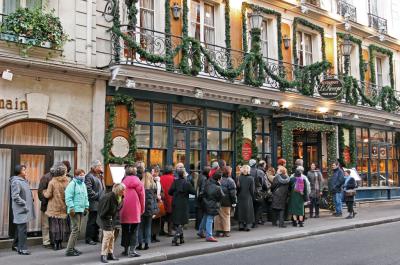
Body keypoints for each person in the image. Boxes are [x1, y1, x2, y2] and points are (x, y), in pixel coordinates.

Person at [43, 162, 71, 250]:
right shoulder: (68, 181)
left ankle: (55, 244)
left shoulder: (52, 182)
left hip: (53, 207)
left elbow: (48, 195)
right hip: (63, 206)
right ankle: (60, 243)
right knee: (62, 225)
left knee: (55, 226)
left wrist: (44, 192)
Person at [120, 166, 145, 257]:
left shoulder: (122, 182)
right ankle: (132, 251)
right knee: (134, 230)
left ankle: (125, 250)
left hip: (124, 208)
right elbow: (142, 197)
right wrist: (142, 209)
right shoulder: (138, 182)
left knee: (125, 230)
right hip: (135, 208)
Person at [98, 183, 125, 263]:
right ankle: (103, 255)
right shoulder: (109, 197)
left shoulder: (119, 197)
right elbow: (102, 212)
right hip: (106, 218)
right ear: (118, 190)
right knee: (107, 236)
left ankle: (110, 253)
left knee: (112, 237)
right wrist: (108, 218)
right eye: (123, 190)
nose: (124, 192)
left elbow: (117, 209)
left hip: (112, 218)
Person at [10, 165, 35, 255]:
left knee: (20, 228)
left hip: (24, 209)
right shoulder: (16, 182)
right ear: (19, 172)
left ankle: (16, 245)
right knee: (22, 230)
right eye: (24, 170)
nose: (25, 171)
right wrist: (24, 203)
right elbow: (15, 196)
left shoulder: (23, 181)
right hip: (21, 209)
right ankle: (22, 249)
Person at [64, 169, 89, 256]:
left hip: (81, 209)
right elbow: (68, 197)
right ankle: (69, 250)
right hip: (74, 210)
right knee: (75, 230)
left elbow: (86, 196)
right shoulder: (72, 184)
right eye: (81, 175)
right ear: (76, 175)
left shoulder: (83, 184)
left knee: (77, 230)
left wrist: (86, 206)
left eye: (83, 174)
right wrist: (71, 207)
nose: (83, 176)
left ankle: (72, 248)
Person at [168, 169, 196, 246]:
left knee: (178, 222)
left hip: (176, 203)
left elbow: (169, 192)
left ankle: (181, 238)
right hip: (183, 204)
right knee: (181, 222)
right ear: (184, 175)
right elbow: (194, 192)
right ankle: (175, 238)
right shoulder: (187, 183)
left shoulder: (175, 182)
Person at [85, 160, 105, 245]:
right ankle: (89, 238)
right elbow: (89, 190)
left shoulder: (99, 175)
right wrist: (98, 196)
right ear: (94, 167)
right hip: (93, 202)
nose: (101, 167)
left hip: (100, 202)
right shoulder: (89, 176)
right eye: (99, 166)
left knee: (97, 221)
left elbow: (102, 188)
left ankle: (95, 236)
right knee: (92, 221)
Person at [201, 170, 224, 242]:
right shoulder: (218, 187)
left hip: (205, 202)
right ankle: (209, 236)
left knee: (205, 217)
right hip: (212, 204)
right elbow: (221, 196)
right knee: (210, 219)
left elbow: (203, 192)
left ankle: (200, 231)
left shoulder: (207, 182)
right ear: (218, 179)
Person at [138, 172, 158, 250]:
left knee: (140, 227)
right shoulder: (153, 186)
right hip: (150, 209)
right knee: (148, 226)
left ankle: (140, 244)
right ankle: (147, 244)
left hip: (141, 209)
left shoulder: (140, 185)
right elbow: (155, 199)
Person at [215, 166, 237, 237]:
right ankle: (226, 231)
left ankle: (218, 231)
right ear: (229, 172)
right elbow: (233, 193)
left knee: (217, 216)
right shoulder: (230, 181)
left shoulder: (218, 179)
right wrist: (234, 202)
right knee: (226, 216)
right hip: (226, 201)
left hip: (218, 200)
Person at [38, 166, 55, 249]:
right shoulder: (46, 177)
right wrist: (45, 201)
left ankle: (52, 240)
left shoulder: (57, 177)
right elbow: (40, 192)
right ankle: (46, 242)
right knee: (46, 224)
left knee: (53, 224)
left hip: (54, 205)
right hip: (46, 204)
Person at [249, 159, 268, 227]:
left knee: (250, 207)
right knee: (257, 207)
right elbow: (264, 183)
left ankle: (250, 221)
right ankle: (254, 222)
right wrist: (265, 189)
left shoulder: (247, 171)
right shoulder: (260, 172)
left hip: (249, 192)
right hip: (258, 192)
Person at [237, 165, 255, 232]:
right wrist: (253, 196)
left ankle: (241, 225)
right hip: (248, 196)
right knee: (248, 211)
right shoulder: (251, 178)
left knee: (241, 210)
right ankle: (248, 225)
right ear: (248, 170)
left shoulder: (239, 177)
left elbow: (237, 188)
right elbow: (252, 190)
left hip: (240, 196)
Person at [160, 165, 175, 236]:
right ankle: (170, 231)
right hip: (170, 198)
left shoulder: (160, 178)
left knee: (162, 215)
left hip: (162, 198)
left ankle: (161, 230)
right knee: (170, 216)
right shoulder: (173, 178)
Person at [195, 166, 210, 232]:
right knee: (201, 213)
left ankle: (197, 226)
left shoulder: (200, 176)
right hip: (202, 198)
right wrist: (203, 197)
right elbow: (203, 189)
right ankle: (200, 227)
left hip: (199, 197)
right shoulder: (204, 178)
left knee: (199, 212)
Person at [151, 165, 162, 243]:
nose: (156, 173)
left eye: (157, 171)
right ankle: (151, 236)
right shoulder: (150, 180)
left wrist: (161, 195)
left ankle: (155, 235)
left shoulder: (158, 180)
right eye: (155, 171)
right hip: (153, 201)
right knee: (153, 219)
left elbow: (162, 190)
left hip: (158, 201)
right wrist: (156, 196)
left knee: (157, 219)